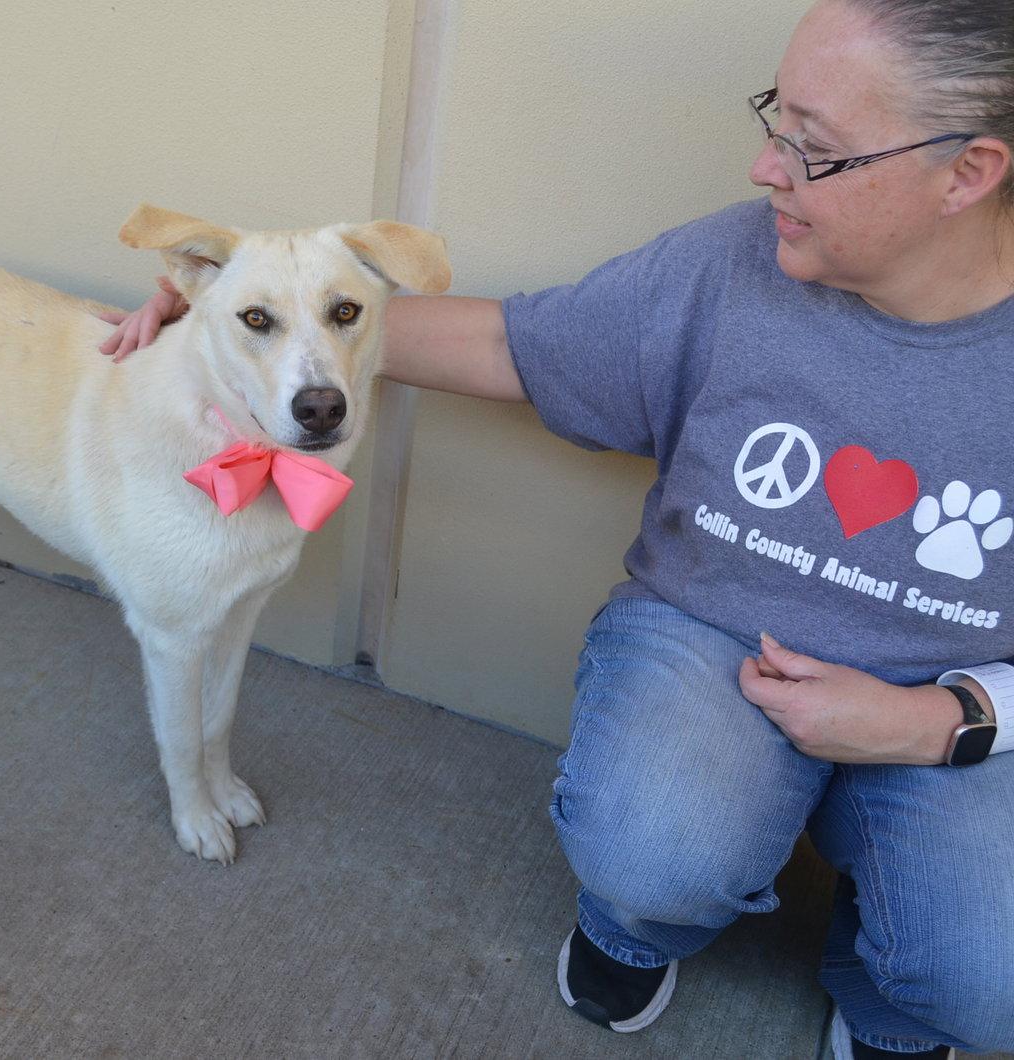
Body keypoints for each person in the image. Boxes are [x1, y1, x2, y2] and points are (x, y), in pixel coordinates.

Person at [99, 1, 1014, 1056]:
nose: (767, 170)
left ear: (967, 172)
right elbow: (512, 343)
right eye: (776, 120)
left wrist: (935, 723)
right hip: (717, 641)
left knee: (988, 983)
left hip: (966, 704)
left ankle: (896, 992)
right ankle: (636, 927)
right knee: (653, 845)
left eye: (815, 149)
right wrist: (237, 328)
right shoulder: (734, 263)